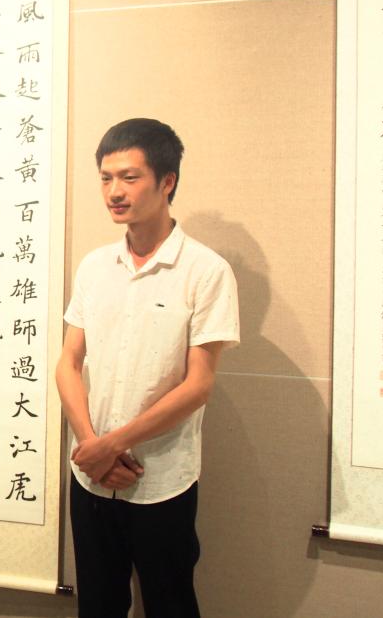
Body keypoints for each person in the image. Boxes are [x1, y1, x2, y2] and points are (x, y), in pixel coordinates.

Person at [55, 118, 239, 617]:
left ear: (167, 181)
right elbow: (68, 363)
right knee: (97, 605)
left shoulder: (206, 271)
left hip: (161, 480)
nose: (114, 191)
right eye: (106, 178)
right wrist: (92, 445)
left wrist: (109, 445)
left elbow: (198, 385)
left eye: (129, 177)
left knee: (170, 604)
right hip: (91, 476)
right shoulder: (95, 266)